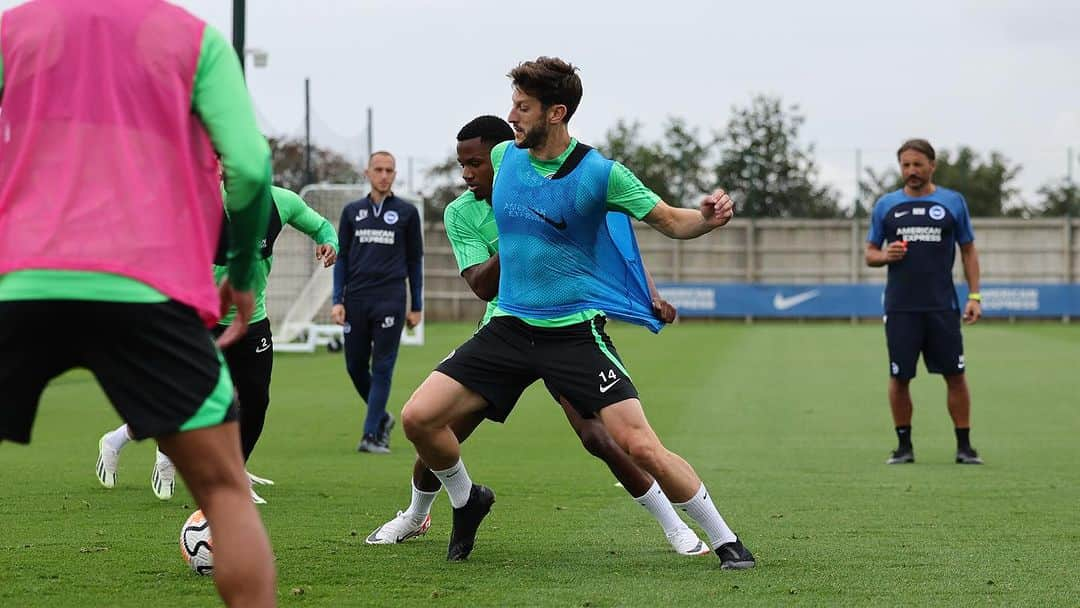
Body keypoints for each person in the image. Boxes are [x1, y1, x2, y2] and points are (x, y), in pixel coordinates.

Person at [400, 57, 755, 569]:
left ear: (557, 112)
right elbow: (476, 183)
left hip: (572, 334)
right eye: (513, 105)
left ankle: (726, 541)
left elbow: (672, 222)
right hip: (508, 327)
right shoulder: (504, 155)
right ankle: (465, 499)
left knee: (639, 445)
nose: (512, 117)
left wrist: (707, 218)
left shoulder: (600, 174)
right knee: (418, 418)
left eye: (522, 107)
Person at [0, 1, 276, 605]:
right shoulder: (195, 40)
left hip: (19, 279)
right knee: (225, 491)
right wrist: (241, 268)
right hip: (149, 287)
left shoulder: (12, 29)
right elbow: (252, 170)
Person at [366, 116, 708, 557]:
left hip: (567, 326)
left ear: (503, 158)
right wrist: (520, 230)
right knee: (439, 428)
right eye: (461, 164)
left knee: (598, 437)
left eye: (475, 163)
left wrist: (651, 294)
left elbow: (607, 242)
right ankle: (417, 515)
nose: (466, 174)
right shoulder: (460, 213)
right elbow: (482, 285)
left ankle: (674, 526)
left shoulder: (553, 181)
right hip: (506, 330)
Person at [97, 185, 339, 503]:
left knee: (254, 401)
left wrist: (329, 242)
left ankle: (232, 469)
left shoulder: (282, 202)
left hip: (252, 321)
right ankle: (146, 451)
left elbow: (321, 225)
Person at [866, 138, 983, 465]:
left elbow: (969, 251)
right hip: (901, 308)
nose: (911, 171)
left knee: (956, 375)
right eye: (905, 165)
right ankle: (904, 447)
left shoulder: (952, 202)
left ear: (932, 165)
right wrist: (884, 255)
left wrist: (974, 296)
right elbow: (869, 253)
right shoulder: (886, 205)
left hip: (942, 307)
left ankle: (965, 447)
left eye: (918, 164)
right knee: (899, 377)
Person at [332, 151, 423, 454]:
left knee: (382, 367)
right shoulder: (351, 212)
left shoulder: (408, 213)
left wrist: (417, 305)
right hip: (356, 299)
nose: (384, 175)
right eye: (378, 170)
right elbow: (342, 258)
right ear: (367, 173)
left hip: (390, 300)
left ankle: (371, 435)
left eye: (389, 170)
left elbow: (415, 262)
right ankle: (382, 416)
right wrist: (337, 299)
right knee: (355, 366)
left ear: (395, 175)